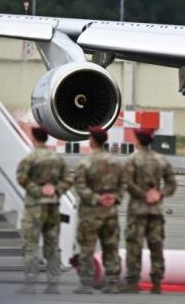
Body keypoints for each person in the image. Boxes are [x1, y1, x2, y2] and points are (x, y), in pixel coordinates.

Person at [15, 125, 72, 295]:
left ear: (34, 137)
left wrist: (37, 190)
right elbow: (69, 179)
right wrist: (56, 190)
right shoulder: (57, 158)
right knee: (52, 244)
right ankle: (53, 279)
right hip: (53, 206)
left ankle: (31, 279)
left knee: (31, 243)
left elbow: (21, 178)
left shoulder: (30, 158)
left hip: (34, 207)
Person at [120, 128, 177, 294]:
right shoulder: (160, 160)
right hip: (156, 210)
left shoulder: (132, 160)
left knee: (134, 245)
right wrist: (159, 194)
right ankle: (157, 283)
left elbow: (127, 183)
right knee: (156, 245)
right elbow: (171, 184)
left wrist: (143, 195)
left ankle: (133, 282)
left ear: (138, 140)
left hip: (138, 209)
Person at [73, 126, 124, 294]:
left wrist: (96, 199)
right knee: (110, 247)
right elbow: (123, 184)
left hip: (90, 213)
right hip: (110, 212)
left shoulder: (85, 162)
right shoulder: (115, 162)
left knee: (87, 248)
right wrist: (114, 198)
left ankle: (85, 284)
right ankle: (112, 282)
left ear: (92, 140)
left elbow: (80, 186)